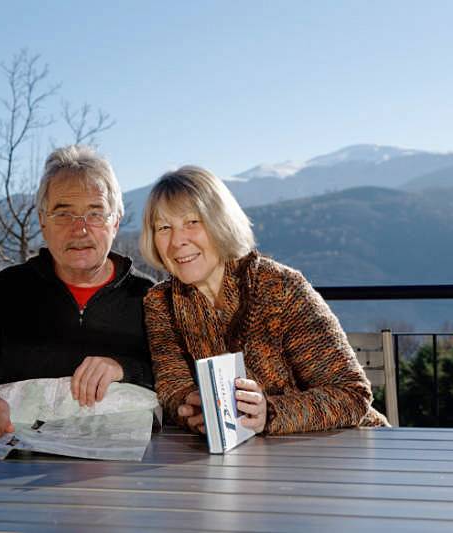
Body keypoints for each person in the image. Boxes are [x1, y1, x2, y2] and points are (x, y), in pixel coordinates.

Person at [0, 145, 154, 436]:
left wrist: (124, 368)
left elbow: (181, 380)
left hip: (123, 461)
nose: (80, 229)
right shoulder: (6, 292)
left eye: (95, 213)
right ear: (42, 221)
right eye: (63, 214)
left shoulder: (148, 297)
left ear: (115, 222)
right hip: (19, 458)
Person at [140, 165, 388, 436]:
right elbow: (173, 386)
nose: (177, 241)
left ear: (220, 222)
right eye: (164, 227)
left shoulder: (280, 287)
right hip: (250, 454)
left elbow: (352, 394)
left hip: (348, 444)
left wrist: (268, 412)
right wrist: (193, 408)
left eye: (192, 222)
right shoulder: (160, 303)